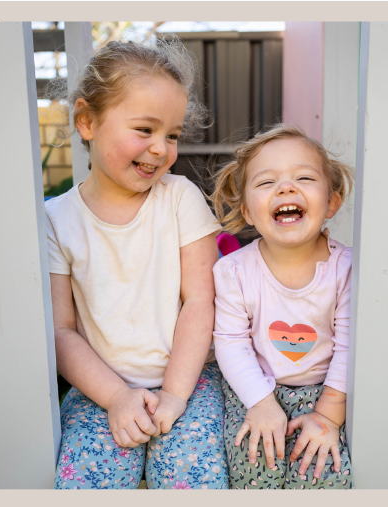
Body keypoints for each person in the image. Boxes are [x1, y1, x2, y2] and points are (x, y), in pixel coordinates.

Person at [46, 39, 228, 489]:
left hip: (190, 381)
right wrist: (115, 398)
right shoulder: (55, 220)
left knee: (192, 477)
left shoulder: (180, 198)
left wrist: (174, 394)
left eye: (172, 135)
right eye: (145, 130)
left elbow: (200, 300)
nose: (160, 149)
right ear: (87, 121)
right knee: (87, 483)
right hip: (99, 390)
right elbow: (61, 329)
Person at [210, 124, 354, 489]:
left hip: (327, 391)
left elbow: (350, 345)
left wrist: (329, 415)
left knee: (324, 470)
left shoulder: (347, 269)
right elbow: (230, 341)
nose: (286, 188)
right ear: (246, 210)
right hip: (253, 389)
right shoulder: (233, 271)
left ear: (332, 201)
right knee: (254, 464)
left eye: (304, 177)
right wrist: (259, 401)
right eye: (266, 182)